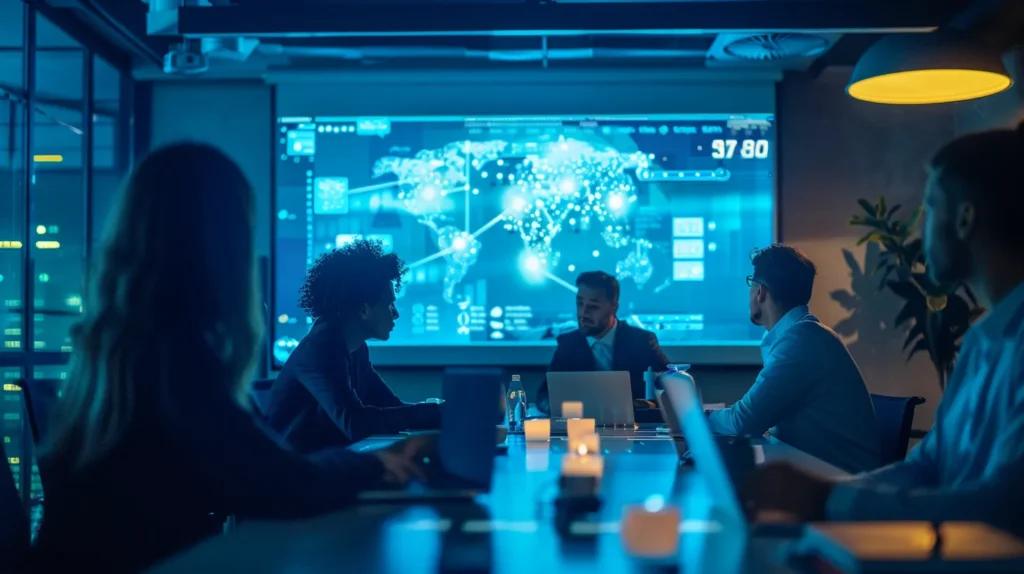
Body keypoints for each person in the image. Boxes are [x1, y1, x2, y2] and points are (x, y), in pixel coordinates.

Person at [32, 143, 430, 573]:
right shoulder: (175, 362)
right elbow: (284, 482)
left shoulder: (116, 352)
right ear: (223, 246)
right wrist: (373, 467)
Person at [745, 123, 1024, 535]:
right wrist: (822, 494)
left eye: (930, 207)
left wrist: (826, 500)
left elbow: (1003, 508)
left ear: (965, 219)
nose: (921, 228)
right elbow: (927, 465)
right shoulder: (984, 341)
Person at [707, 244, 880, 473]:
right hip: (817, 472)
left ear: (761, 292)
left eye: (751, 284)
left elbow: (743, 423)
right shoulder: (805, 335)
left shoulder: (800, 341)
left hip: (840, 486)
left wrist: (698, 418)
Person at [264, 240, 441, 450]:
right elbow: (355, 423)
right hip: (292, 474)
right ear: (364, 310)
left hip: (320, 466)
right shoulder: (321, 349)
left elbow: (391, 406)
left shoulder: (355, 347)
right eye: (389, 304)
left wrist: (440, 412)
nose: (396, 313)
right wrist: (435, 412)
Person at [536, 271, 670, 414]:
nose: (583, 313)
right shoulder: (569, 344)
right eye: (580, 304)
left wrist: (644, 405)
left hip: (632, 430)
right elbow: (544, 397)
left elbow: (673, 390)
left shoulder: (641, 342)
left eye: (593, 307)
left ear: (613, 306)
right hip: (582, 428)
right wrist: (569, 410)